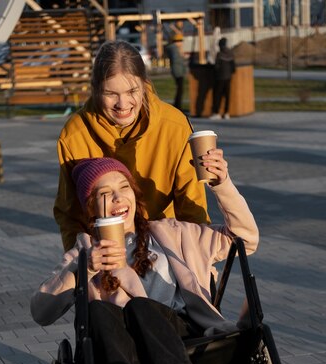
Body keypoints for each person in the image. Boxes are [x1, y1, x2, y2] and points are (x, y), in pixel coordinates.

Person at [31, 151, 258, 364]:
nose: (116, 198)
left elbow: (245, 240)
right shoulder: (84, 249)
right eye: (102, 194)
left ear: (135, 196)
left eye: (122, 187)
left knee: (140, 305)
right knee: (98, 314)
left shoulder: (173, 233)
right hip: (123, 359)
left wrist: (222, 185)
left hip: (184, 343)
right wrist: (84, 269)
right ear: (90, 208)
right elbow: (40, 312)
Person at [53, 40, 208, 252]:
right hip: (106, 251)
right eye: (110, 94)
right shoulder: (75, 135)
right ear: (95, 89)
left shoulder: (175, 126)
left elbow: (192, 206)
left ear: (145, 85)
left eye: (132, 91)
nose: (123, 104)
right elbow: (70, 214)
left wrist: (198, 259)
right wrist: (81, 264)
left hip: (165, 246)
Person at [210, 37, 236, 120]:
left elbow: (216, 67)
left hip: (220, 77)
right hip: (228, 77)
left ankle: (216, 112)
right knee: (227, 95)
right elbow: (233, 68)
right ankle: (226, 113)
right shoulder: (231, 53)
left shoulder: (220, 54)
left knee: (218, 95)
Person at [165, 33, 186, 111]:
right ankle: (178, 106)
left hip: (177, 70)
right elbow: (176, 60)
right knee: (180, 90)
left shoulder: (173, 48)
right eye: (180, 41)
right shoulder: (174, 49)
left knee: (180, 89)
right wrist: (181, 55)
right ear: (177, 41)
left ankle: (177, 105)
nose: (181, 43)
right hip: (178, 71)